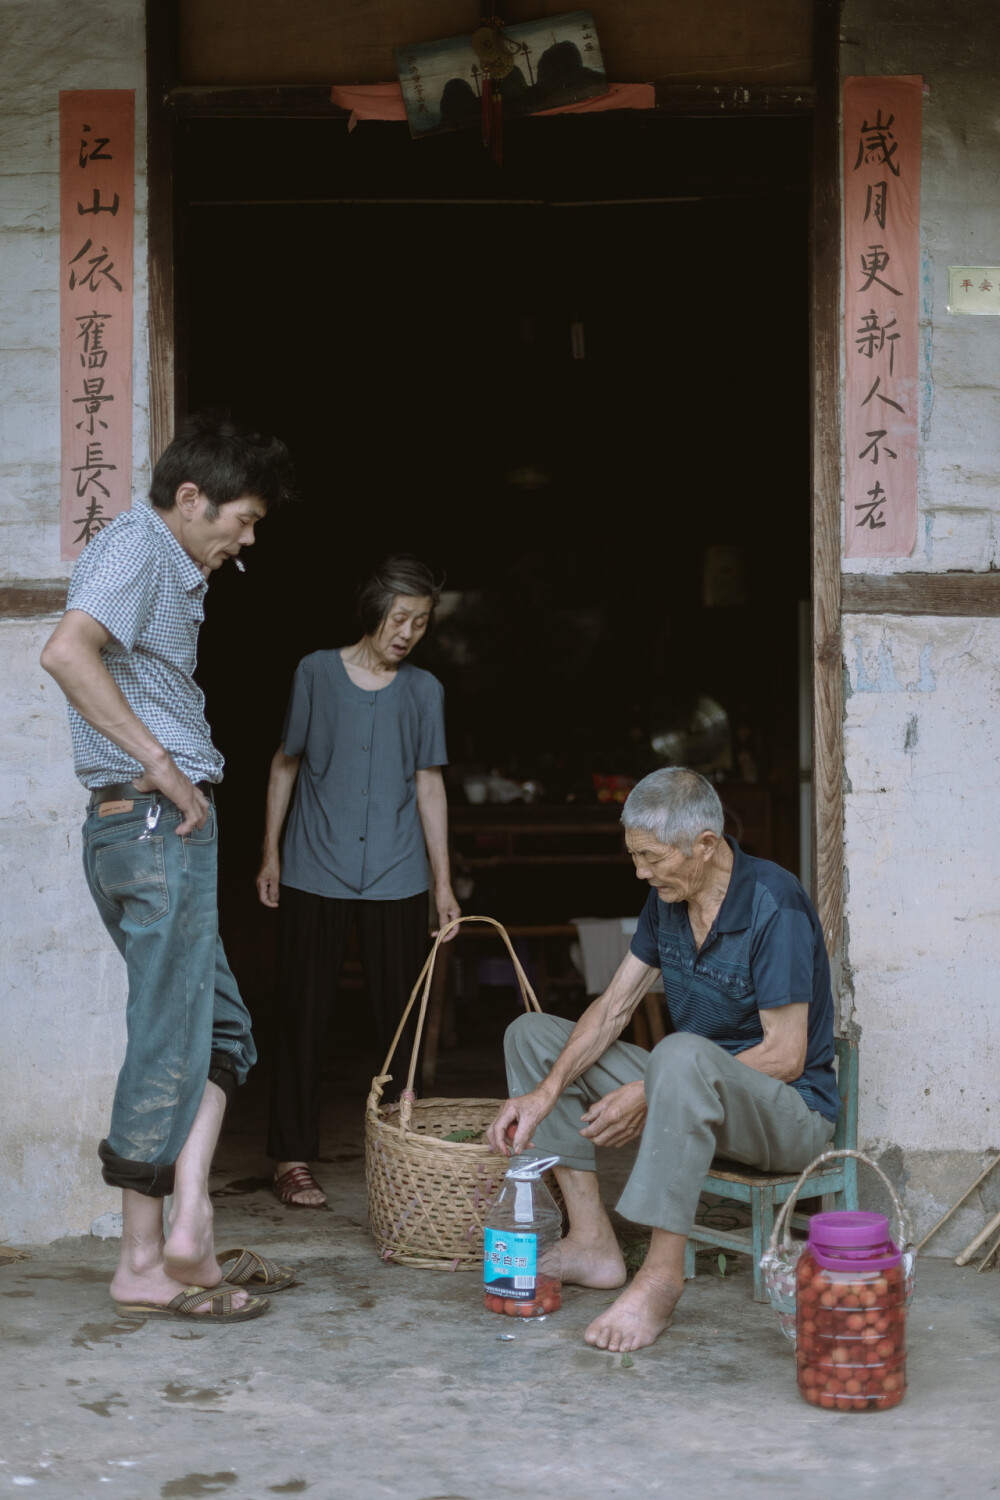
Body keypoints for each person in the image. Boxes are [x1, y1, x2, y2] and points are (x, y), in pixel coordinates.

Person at [41, 411, 294, 1323]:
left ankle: (189, 1221)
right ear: (192, 499)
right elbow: (66, 651)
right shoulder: (140, 547)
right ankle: (145, 1255)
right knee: (170, 1033)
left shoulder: (168, 565)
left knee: (221, 1028)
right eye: (244, 519)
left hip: (152, 824)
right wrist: (161, 766)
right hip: (152, 819)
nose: (248, 538)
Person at [487, 766, 839, 1353]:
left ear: (705, 845)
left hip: (786, 1116)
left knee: (676, 1057)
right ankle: (592, 1241)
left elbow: (786, 1054)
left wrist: (652, 1089)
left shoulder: (774, 905)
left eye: (651, 857)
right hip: (689, 1092)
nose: (640, 871)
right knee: (531, 1035)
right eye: (634, 856)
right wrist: (544, 1092)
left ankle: (660, 1279)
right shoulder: (669, 900)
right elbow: (613, 1007)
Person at [257, 554, 462, 1208]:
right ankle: (292, 1159)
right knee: (302, 1015)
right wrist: (269, 853)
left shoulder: (424, 691)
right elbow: (285, 763)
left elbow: (430, 785)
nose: (407, 632)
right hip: (316, 864)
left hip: (398, 871)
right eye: (399, 617)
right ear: (373, 610)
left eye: (421, 623)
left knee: (398, 1022)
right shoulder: (315, 672)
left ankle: (402, 1153)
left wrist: (443, 883)